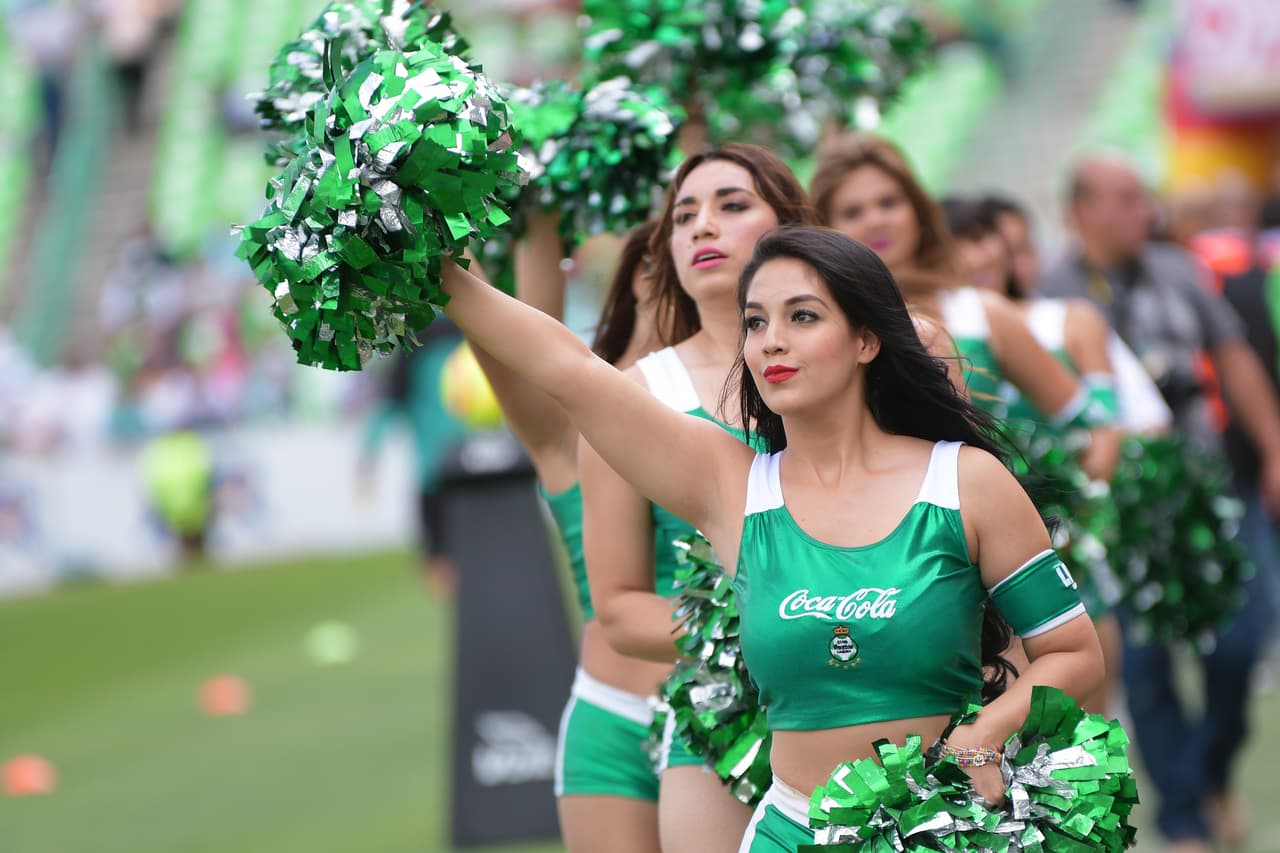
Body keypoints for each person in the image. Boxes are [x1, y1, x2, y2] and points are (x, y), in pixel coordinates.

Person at [438, 225, 1105, 851]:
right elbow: (571, 371)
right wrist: (438, 270)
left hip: (942, 824)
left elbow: (1074, 650)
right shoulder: (730, 485)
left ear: (866, 339)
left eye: (802, 316)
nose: (770, 341)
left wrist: (988, 731)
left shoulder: (966, 481)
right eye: (756, 321)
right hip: (787, 828)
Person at [579, 143, 816, 853]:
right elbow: (619, 606)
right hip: (725, 722)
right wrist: (777, 628)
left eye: (732, 205)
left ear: (790, 225)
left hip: (884, 694)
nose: (701, 227)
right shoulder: (628, 400)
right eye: (683, 216)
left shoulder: (884, 354)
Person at [1043, 152, 1280, 852]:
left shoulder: (1178, 268)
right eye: (1121, 198)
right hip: (1116, 510)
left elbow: (1232, 355)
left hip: (1209, 489)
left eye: (1142, 196)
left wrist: (1273, 447)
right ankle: (1183, 819)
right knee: (1145, 670)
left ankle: (1209, 772)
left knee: (1240, 646)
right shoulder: (1052, 288)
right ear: (1079, 209)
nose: (1141, 210)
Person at [467, 212, 671, 853]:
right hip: (610, 716)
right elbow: (514, 330)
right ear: (631, 282)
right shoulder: (569, 420)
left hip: (732, 710)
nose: (664, 276)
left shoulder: (746, 413)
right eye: (650, 263)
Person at [807, 133, 1121, 484]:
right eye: (853, 212)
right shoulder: (815, 328)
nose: (875, 220)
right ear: (825, 228)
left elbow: (1092, 426)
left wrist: (1073, 524)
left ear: (919, 213)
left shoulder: (980, 314)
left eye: (889, 203)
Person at [357, 317, 467, 595]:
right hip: (472, 473)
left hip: (435, 476)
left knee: (440, 565)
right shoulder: (471, 343)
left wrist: (367, 460)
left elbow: (387, 407)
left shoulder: (411, 349)